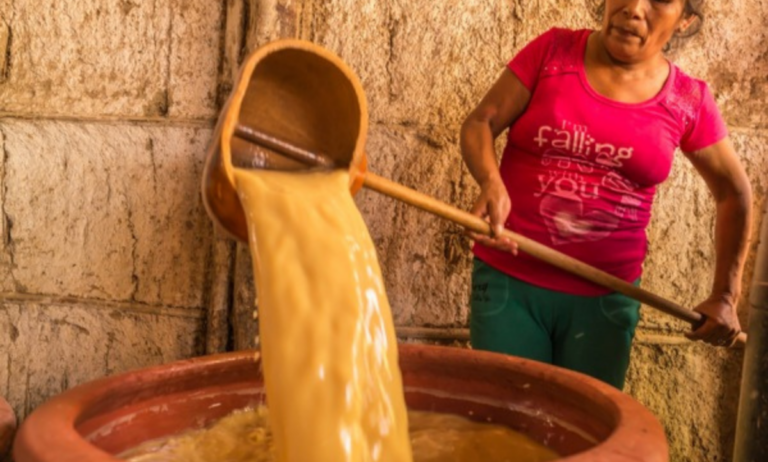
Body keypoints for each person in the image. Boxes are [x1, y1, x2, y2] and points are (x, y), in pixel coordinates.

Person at [460, 0, 753, 390]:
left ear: (685, 20)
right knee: (505, 428)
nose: (633, 8)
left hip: (605, 301)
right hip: (508, 283)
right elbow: (481, 121)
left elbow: (734, 193)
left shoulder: (687, 99)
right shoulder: (552, 52)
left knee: (585, 435)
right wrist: (490, 182)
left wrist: (726, 296)